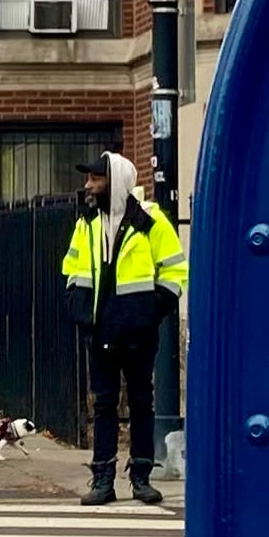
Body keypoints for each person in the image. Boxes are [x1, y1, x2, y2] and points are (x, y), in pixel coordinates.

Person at [59, 150, 187, 504]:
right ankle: (103, 478)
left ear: (114, 183)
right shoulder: (87, 223)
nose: (88, 185)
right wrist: (76, 305)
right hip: (100, 328)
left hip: (138, 331)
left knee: (141, 402)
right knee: (103, 405)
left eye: (95, 179)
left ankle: (142, 476)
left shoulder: (151, 221)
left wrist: (151, 311)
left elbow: (175, 271)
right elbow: (73, 267)